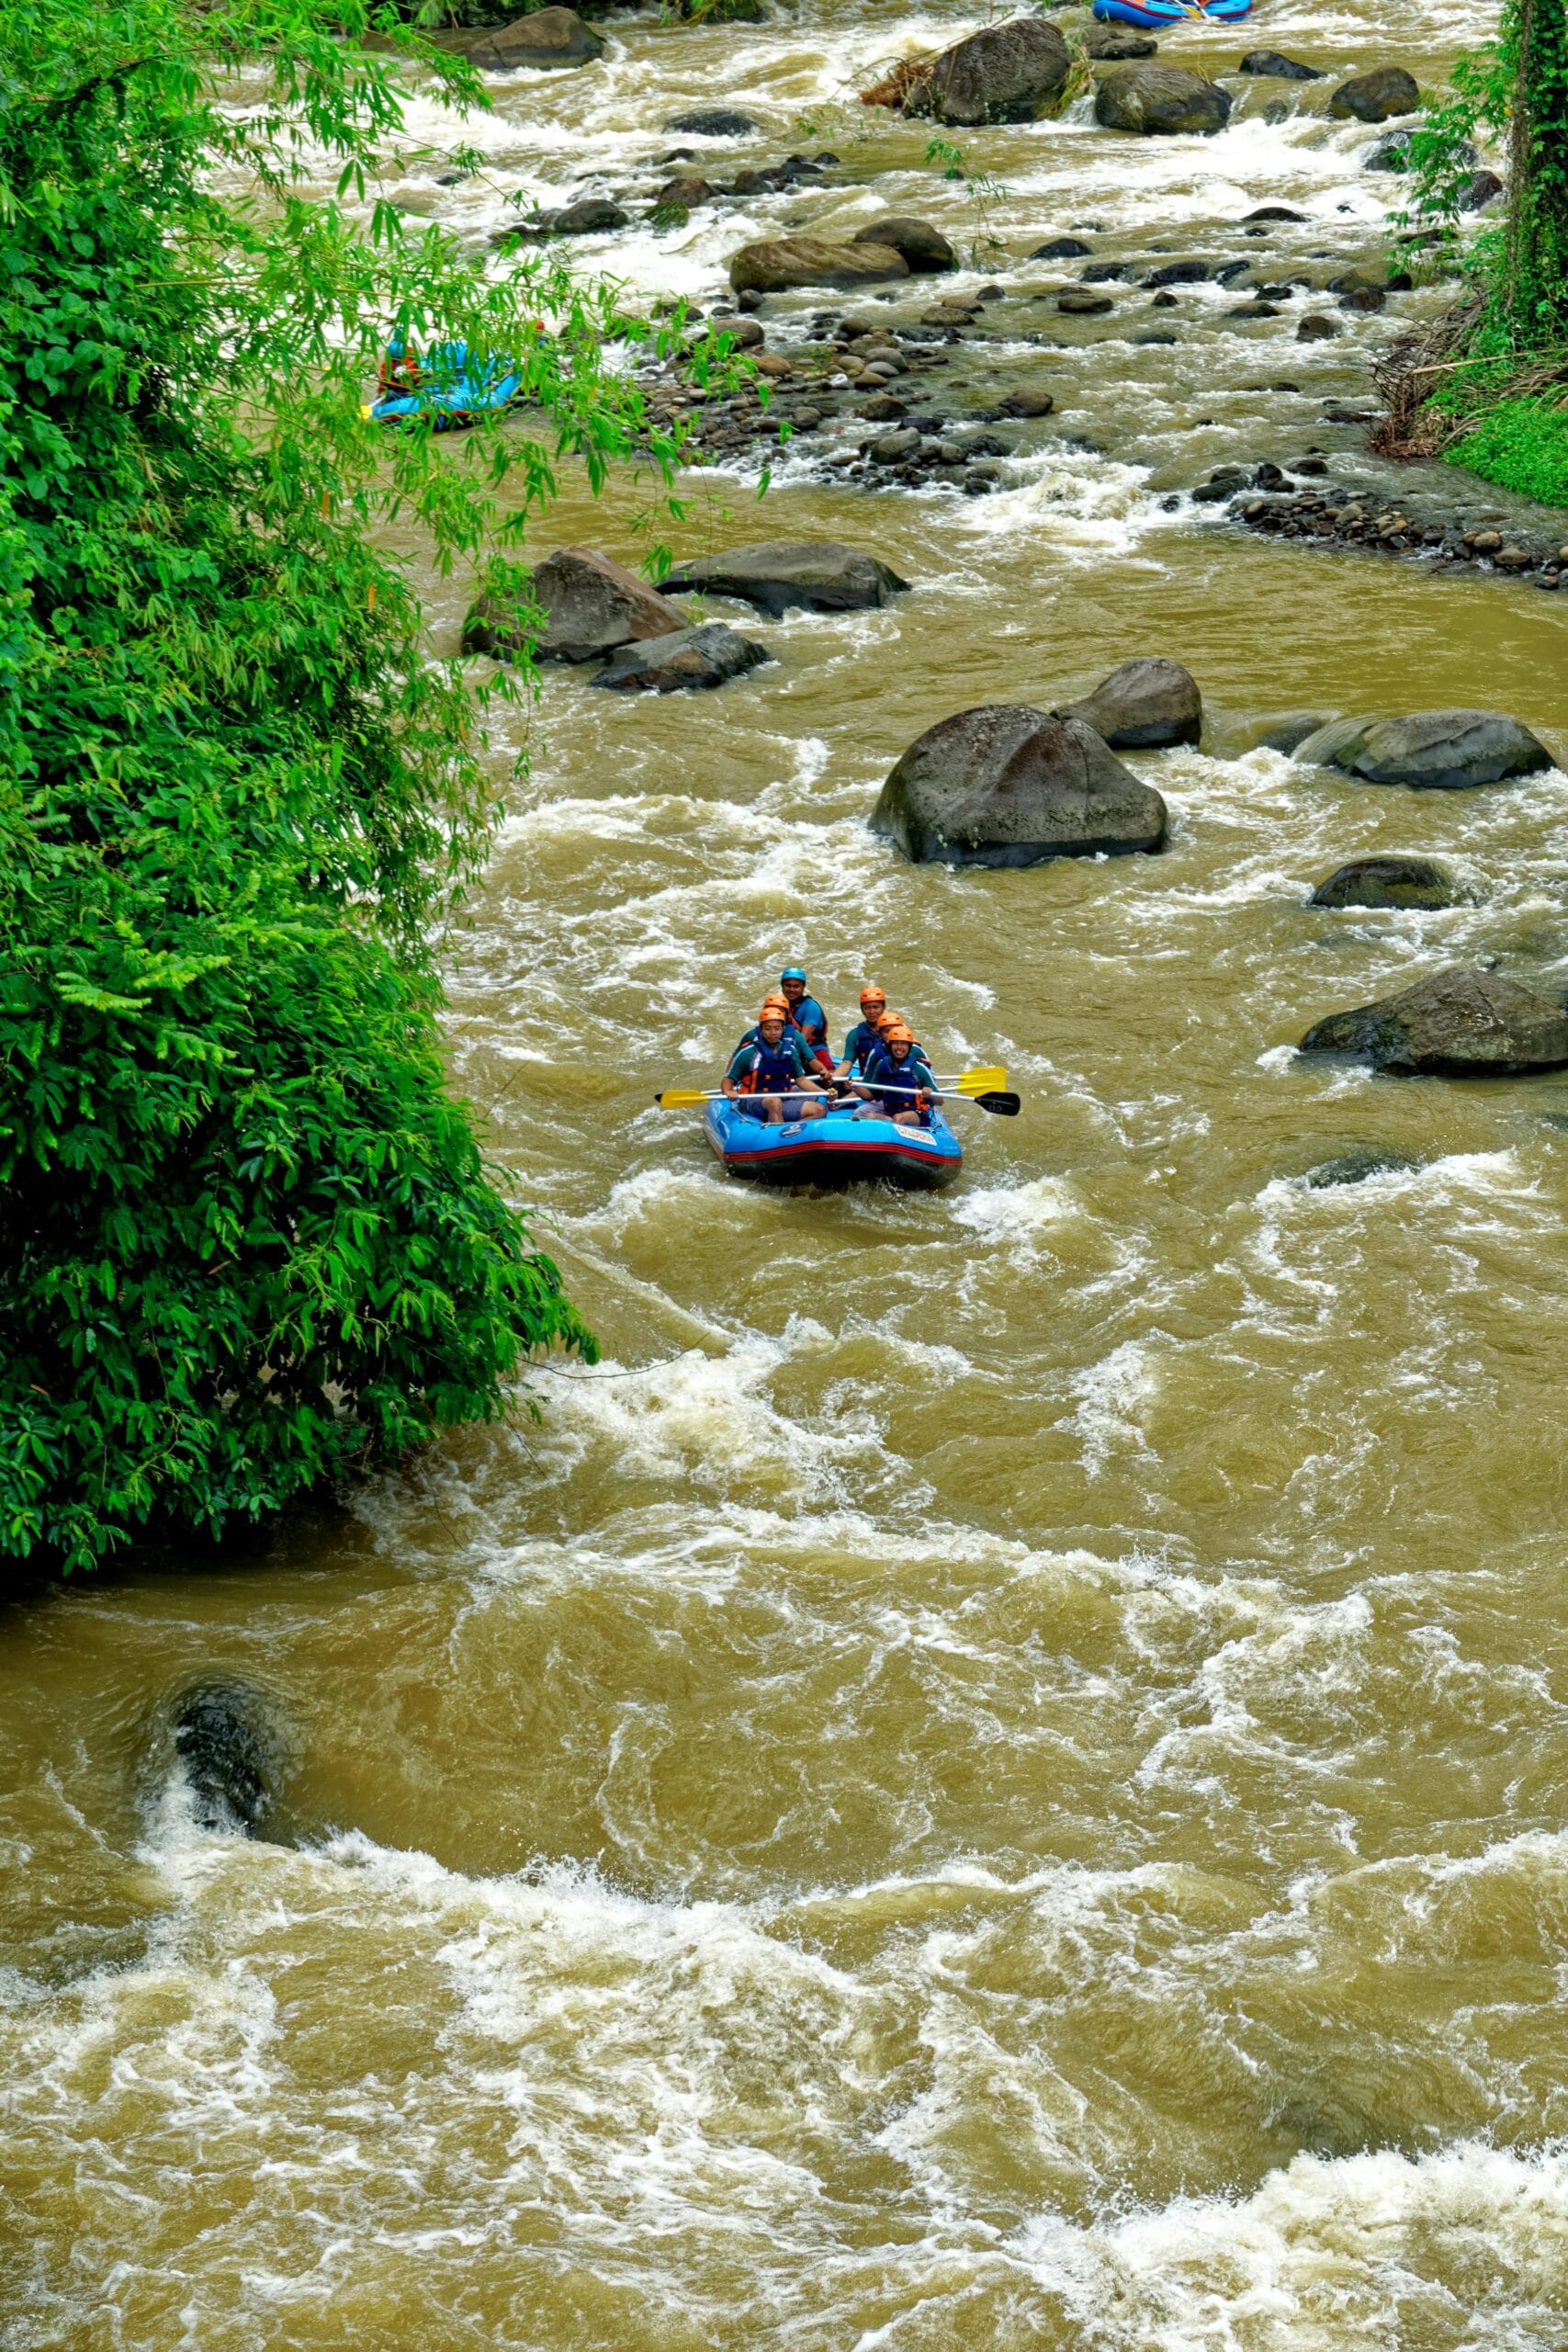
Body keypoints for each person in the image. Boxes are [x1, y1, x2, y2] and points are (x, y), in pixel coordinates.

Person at [723, 1004, 828, 1124]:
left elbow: (801, 1080)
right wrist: (729, 1091)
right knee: (774, 1102)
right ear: (761, 1030)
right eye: (768, 1029)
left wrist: (824, 1093)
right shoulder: (748, 1053)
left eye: (777, 1028)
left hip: (781, 1098)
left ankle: (790, 1131)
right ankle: (778, 1132)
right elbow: (728, 1080)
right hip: (752, 1100)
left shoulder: (790, 1051)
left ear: (782, 1029)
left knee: (819, 1110)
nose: (773, 1033)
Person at [855, 1021, 940, 1128]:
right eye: (895, 1043)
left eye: (903, 1044)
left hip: (916, 1113)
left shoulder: (919, 1068)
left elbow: (940, 1101)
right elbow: (870, 1096)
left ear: (909, 1047)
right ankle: (890, 1124)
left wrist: (931, 1094)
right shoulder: (882, 1065)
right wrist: (855, 1086)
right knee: (868, 1116)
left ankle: (893, 1124)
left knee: (899, 1118)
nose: (899, 1047)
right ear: (889, 1046)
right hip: (890, 1111)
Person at [778, 967, 832, 1071]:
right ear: (782, 986)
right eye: (788, 985)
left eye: (796, 986)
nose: (792, 990)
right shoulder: (778, 1005)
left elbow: (802, 1040)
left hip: (813, 1050)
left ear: (803, 987)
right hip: (788, 1049)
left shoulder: (811, 1007)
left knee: (828, 1077)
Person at [835, 986, 890, 1082]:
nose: (872, 1012)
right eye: (867, 1008)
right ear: (862, 1009)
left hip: (890, 1082)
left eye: (876, 1007)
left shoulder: (895, 1030)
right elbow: (847, 1063)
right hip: (866, 1082)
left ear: (883, 1007)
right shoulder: (855, 1035)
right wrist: (832, 1078)